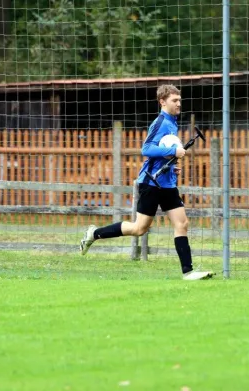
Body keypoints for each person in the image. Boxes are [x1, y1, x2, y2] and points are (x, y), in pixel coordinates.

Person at [79, 84, 214, 280]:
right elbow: (146, 149)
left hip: (167, 183)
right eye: (174, 101)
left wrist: (171, 164)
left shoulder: (172, 123)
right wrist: (173, 152)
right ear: (162, 102)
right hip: (150, 183)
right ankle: (94, 233)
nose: (179, 104)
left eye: (179, 100)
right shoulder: (160, 122)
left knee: (182, 223)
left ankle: (188, 272)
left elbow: (160, 154)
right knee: (139, 229)